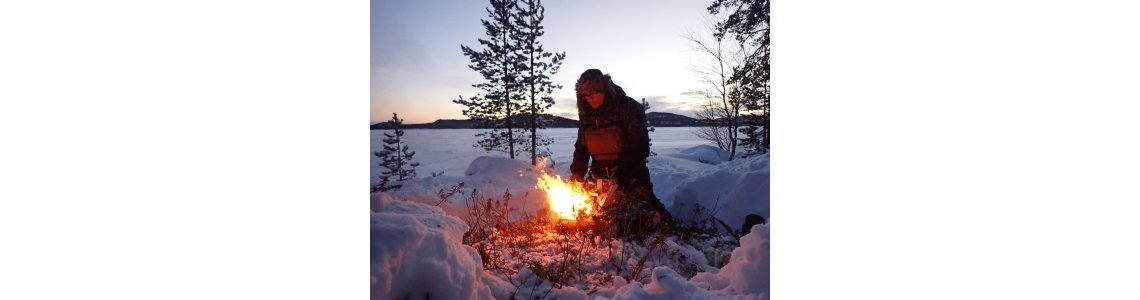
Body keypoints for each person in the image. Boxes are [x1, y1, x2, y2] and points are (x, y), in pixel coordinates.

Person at [570, 69, 672, 235]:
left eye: (592, 95)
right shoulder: (586, 115)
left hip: (630, 175)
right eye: (585, 97)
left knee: (631, 207)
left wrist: (619, 175)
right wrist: (577, 173)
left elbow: (640, 146)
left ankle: (647, 218)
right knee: (584, 208)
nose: (589, 100)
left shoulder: (628, 107)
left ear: (603, 90)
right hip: (598, 177)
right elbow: (582, 146)